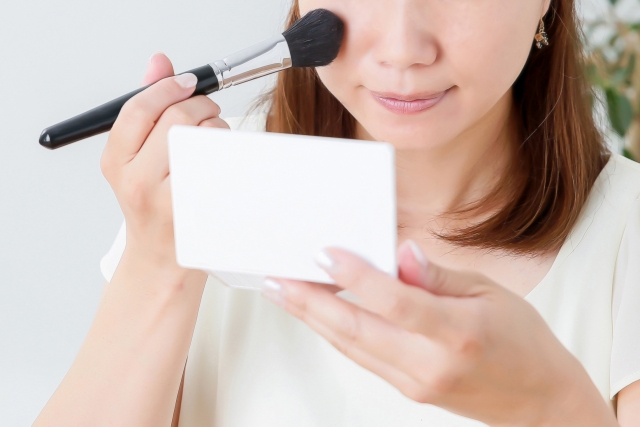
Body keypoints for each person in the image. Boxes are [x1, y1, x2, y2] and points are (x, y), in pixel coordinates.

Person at [33, 0, 640, 426]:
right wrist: (159, 259)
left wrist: (551, 408)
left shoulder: (626, 232)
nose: (404, 50)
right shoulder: (197, 181)